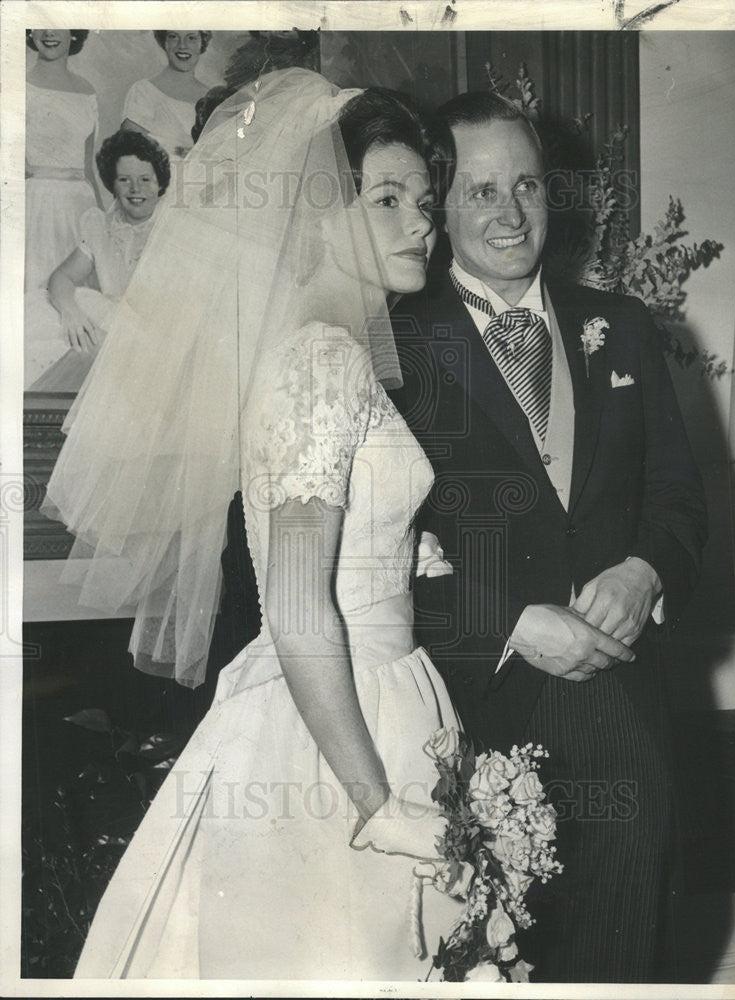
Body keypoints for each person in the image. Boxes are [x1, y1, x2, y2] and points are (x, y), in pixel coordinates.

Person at [44, 69, 463, 980]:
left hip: (351, 691)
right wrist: (374, 803)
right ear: (316, 216)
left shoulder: (318, 349)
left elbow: (307, 531)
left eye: (424, 200)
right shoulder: (321, 358)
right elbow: (298, 607)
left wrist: (393, 544)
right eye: (384, 199)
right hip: (340, 724)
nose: (420, 221)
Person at [385, 92, 708, 982]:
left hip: (620, 714)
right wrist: (509, 625)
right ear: (439, 205)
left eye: (526, 185)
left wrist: (644, 571)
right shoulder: (389, 345)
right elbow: (359, 565)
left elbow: (679, 498)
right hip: (462, 713)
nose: (511, 213)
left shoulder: (626, 329)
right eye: (482, 190)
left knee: (622, 946)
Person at [25, 130, 170, 391]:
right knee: (39, 332)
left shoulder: (173, 228)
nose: (135, 189)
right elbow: (62, 277)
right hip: (108, 320)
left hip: (155, 333)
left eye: (145, 179)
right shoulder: (100, 224)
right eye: (124, 180)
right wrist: (71, 311)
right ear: (111, 184)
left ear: (160, 184)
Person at [25, 29, 101, 292]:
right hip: (35, 206)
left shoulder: (87, 91)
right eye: (41, 24)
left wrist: (102, 219)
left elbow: (88, 168)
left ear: (74, 33)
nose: (48, 32)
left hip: (80, 204)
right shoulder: (18, 86)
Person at [122, 31, 211, 161]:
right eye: (173, 37)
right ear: (164, 42)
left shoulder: (211, 97)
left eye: (191, 38)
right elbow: (129, 147)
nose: (182, 46)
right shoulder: (143, 91)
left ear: (202, 43)